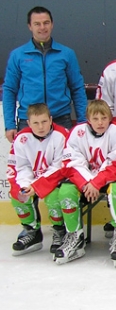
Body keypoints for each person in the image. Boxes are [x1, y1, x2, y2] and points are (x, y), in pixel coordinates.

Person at [54, 100, 116, 265]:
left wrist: (96, 182)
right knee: (65, 192)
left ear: (110, 118)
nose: (100, 122)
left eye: (104, 118)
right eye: (96, 118)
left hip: (111, 177)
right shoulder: (77, 132)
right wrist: (88, 182)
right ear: (88, 119)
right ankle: (75, 236)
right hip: (85, 180)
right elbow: (70, 163)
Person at [3, 6, 87, 142]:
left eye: (46, 23)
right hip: (29, 121)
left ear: (52, 24)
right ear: (30, 26)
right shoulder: (18, 55)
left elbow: (77, 88)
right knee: (30, 163)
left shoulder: (66, 54)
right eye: (37, 24)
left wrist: (83, 122)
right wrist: (10, 125)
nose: (42, 27)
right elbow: (9, 90)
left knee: (64, 162)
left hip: (60, 119)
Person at [7, 103, 69, 256]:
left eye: (44, 122)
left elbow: (61, 168)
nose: (41, 127)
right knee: (18, 195)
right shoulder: (21, 138)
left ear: (51, 119)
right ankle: (32, 232)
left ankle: (59, 230)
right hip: (32, 180)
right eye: (35, 123)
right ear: (28, 123)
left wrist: (38, 185)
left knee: (53, 197)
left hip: (56, 180)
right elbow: (20, 167)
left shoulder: (62, 135)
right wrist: (25, 185)